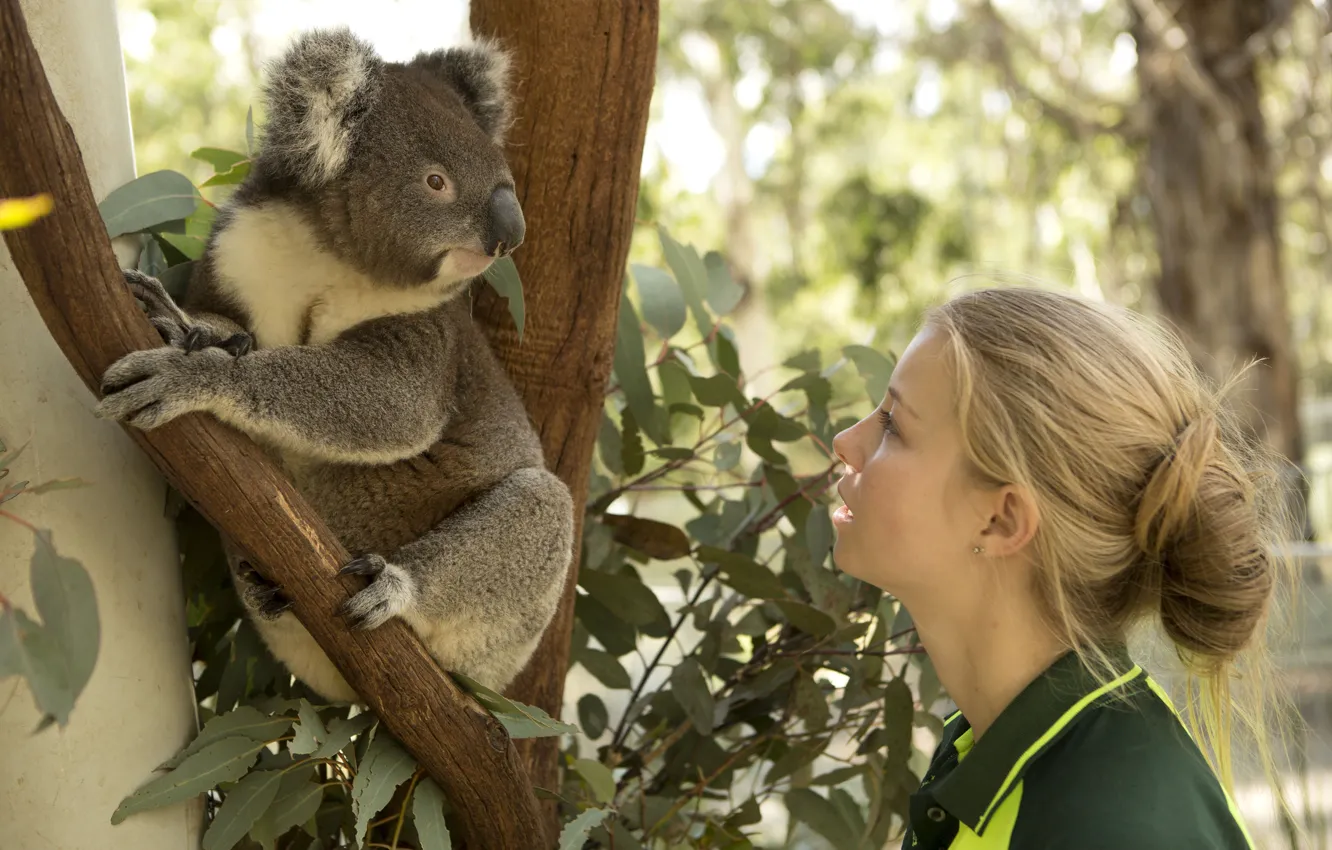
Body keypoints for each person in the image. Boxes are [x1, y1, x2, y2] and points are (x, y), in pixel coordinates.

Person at [830, 286, 1300, 849]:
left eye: (893, 427)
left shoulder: (1111, 827)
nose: (846, 442)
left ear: (1002, 521)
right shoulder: (985, 746)